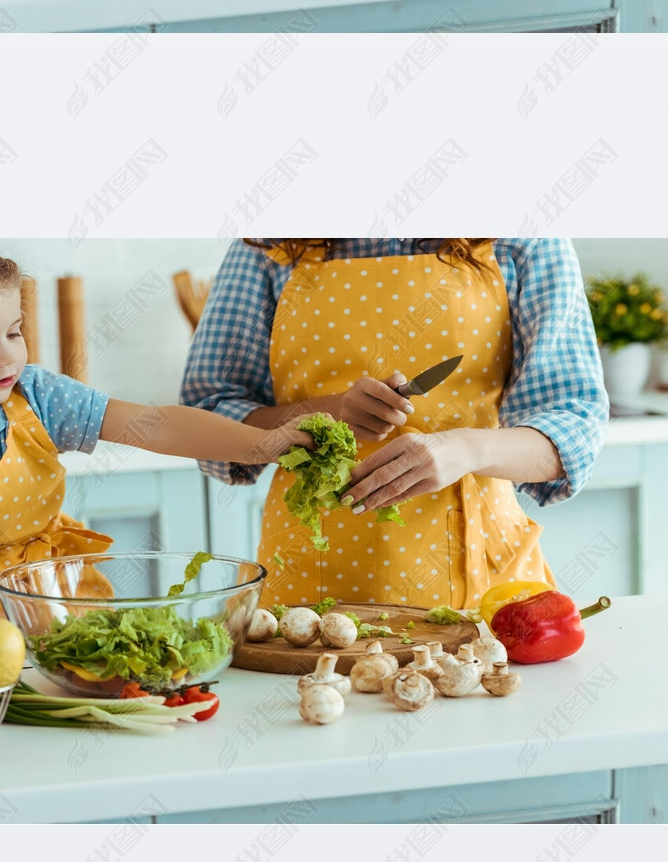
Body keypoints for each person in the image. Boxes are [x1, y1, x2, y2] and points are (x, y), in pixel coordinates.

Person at [0, 239, 311, 618]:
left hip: (49, 589)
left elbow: (153, 425)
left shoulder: (36, 395)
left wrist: (261, 444)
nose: (9, 355)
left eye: (14, 332)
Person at [180, 238, 608, 610]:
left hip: (482, 587)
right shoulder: (270, 246)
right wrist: (327, 413)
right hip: (307, 589)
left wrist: (465, 449)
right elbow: (210, 414)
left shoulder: (525, 239)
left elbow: (573, 432)